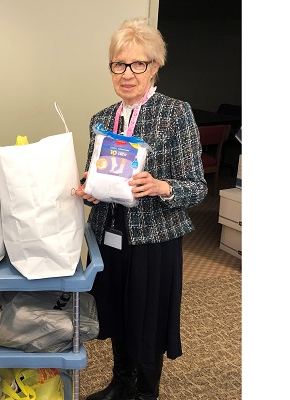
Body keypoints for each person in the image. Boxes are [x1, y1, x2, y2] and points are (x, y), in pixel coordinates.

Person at [75, 18, 207, 400]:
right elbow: (97, 177)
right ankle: (121, 384)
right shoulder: (101, 119)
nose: (127, 74)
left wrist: (161, 186)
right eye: (119, 64)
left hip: (153, 241)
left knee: (147, 320)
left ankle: (146, 393)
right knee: (116, 311)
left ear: (154, 67)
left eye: (138, 64)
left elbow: (197, 186)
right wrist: (89, 190)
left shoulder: (175, 114)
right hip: (108, 235)